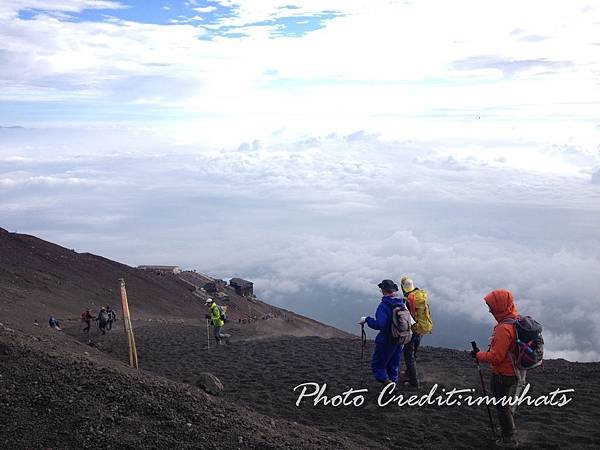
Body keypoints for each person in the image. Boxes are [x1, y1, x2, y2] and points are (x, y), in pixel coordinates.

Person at [471, 289, 520, 449]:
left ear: (499, 306)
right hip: (515, 372)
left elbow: (496, 357)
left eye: (491, 305)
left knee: (501, 406)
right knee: (504, 404)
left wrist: (479, 355)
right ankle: (508, 431)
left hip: (503, 373)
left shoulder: (503, 329)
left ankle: (509, 438)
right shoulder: (515, 320)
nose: (490, 309)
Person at [359, 280, 406, 384]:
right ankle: (393, 385)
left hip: (386, 340)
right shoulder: (401, 304)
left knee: (378, 366)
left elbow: (380, 325)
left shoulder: (384, 306)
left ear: (383, 290)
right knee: (393, 365)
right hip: (399, 339)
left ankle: (388, 385)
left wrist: (367, 319)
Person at [400, 276, 433, 388]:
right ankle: (409, 372)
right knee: (413, 353)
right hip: (422, 328)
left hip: (413, 329)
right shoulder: (420, 295)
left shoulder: (410, 299)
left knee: (408, 355)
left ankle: (414, 383)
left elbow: (407, 316)